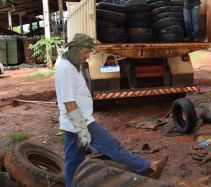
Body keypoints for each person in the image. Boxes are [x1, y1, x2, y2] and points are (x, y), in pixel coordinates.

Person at [55, 33, 168, 187]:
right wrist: (82, 130)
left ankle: (71, 184)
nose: (87, 56)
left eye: (89, 52)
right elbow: (69, 102)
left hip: (77, 122)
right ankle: (148, 169)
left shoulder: (71, 65)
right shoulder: (67, 69)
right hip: (79, 122)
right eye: (85, 52)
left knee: (74, 160)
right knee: (111, 146)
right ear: (75, 49)